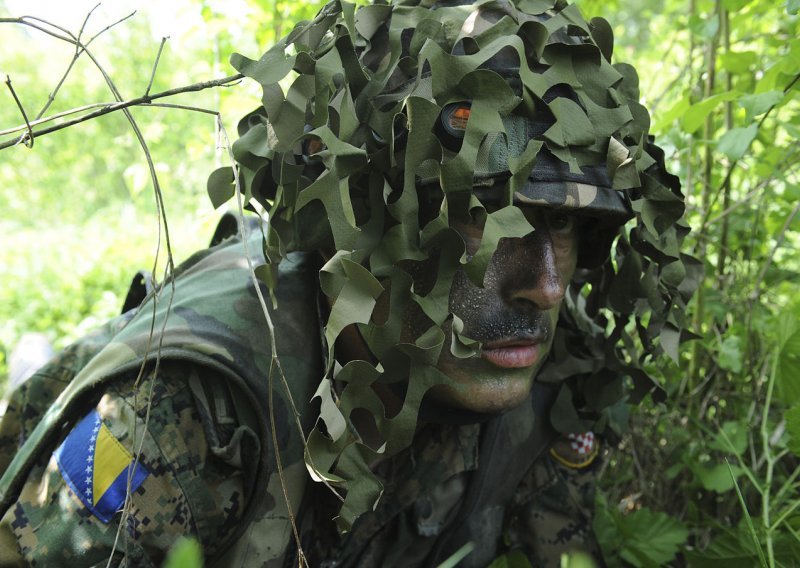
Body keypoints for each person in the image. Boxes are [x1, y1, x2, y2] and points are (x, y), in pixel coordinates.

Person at [0, 0, 697, 565]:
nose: (543, 287)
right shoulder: (198, 412)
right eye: (490, 217)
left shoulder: (551, 374)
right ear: (364, 224)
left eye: (567, 227)